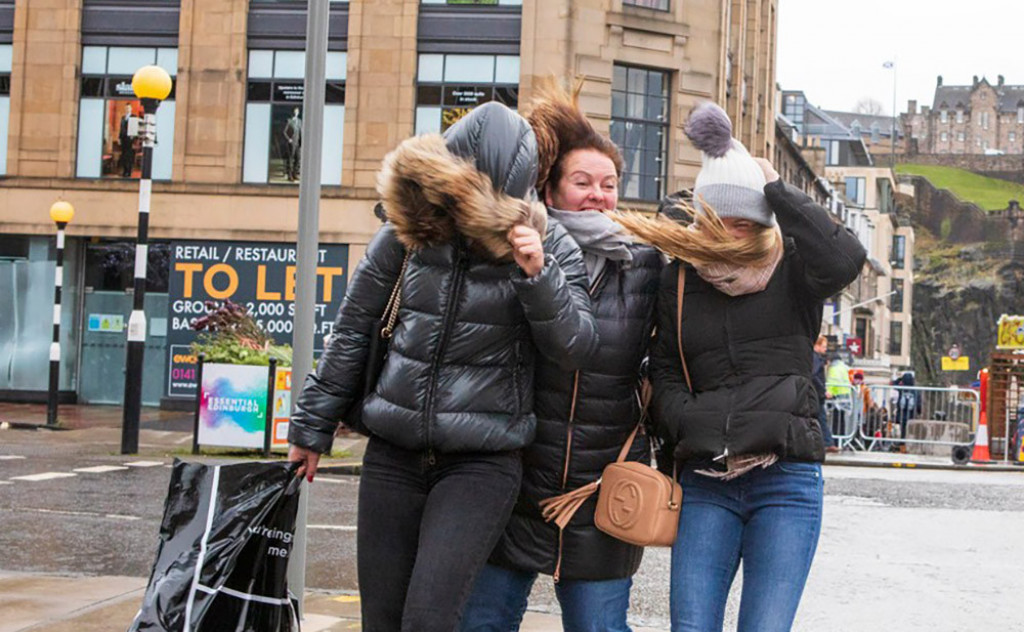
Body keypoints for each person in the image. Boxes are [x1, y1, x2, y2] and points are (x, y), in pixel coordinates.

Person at [287, 102, 600, 632]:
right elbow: (355, 325)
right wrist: (311, 427)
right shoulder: (406, 234)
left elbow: (575, 347)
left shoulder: (550, 245)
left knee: (429, 620)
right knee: (382, 622)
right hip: (393, 454)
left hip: (481, 463)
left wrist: (537, 276)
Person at [618, 102, 866, 632]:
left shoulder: (796, 270)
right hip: (707, 481)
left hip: (787, 481)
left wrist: (775, 188)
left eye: (744, 220)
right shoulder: (680, 279)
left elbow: (846, 258)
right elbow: (662, 368)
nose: (730, 233)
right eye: (719, 219)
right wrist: (685, 421)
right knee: (690, 627)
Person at [461, 83, 663, 632]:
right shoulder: (514, 252)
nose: (599, 195)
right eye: (583, 182)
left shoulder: (646, 265)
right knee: (482, 624)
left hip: (601, 491)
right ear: (549, 191)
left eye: (609, 184)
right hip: (517, 482)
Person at [812, 335, 838, 453]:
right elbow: (814, 376)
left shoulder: (814, 358)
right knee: (821, 418)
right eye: (823, 346)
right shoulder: (816, 359)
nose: (825, 349)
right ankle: (828, 442)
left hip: (815, 393)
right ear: (816, 345)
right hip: (817, 394)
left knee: (819, 418)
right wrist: (823, 391)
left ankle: (825, 442)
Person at [283, 107, 302, 180]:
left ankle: (295, 174)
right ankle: (289, 175)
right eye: (295, 111)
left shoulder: (300, 121)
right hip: (292, 143)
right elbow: (284, 132)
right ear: (293, 112)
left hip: (298, 142)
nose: (296, 113)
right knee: (290, 159)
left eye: (297, 111)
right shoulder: (289, 121)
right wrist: (289, 139)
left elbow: (301, 131)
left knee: (298, 158)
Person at [119, 104, 136, 178]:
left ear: (131, 109)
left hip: (130, 139)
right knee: (124, 155)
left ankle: (129, 171)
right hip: (123, 138)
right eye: (126, 108)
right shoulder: (123, 118)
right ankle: (124, 171)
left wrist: (133, 138)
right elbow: (121, 128)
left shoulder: (134, 117)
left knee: (129, 155)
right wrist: (119, 138)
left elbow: (135, 127)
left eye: (128, 108)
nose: (127, 109)